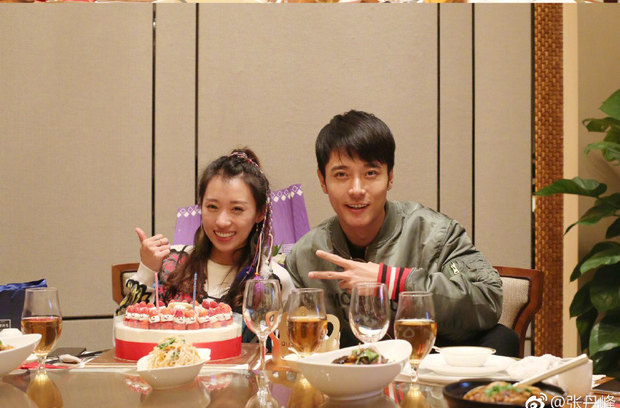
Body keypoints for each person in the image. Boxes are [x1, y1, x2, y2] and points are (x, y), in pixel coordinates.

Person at [285, 110, 519, 355]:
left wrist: (393, 281)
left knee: (502, 338)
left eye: (370, 173)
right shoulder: (305, 255)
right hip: (345, 375)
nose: (356, 189)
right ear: (322, 180)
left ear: (390, 177)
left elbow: (488, 299)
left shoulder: (436, 234)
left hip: (427, 367)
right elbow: (289, 345)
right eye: (341, 175)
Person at [124, 148, 293, 341]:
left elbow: (285, 351)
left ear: (260, 213)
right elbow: (124, 338)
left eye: (237, 209)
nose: (222, 221)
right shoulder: (171, 263)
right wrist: (146, 270)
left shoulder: (272, 280)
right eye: (212, 207)